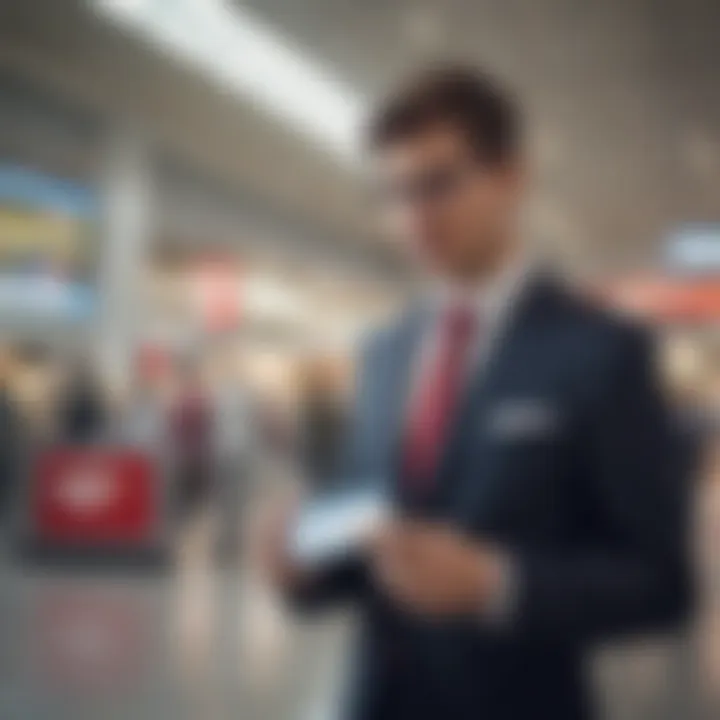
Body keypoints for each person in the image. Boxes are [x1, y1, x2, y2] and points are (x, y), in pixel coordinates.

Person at [256, 65, 692, 720]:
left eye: (437, 185)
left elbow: (662, 585)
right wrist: (305, 570)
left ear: (512, 177)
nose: (412, 218)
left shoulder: (600, 352)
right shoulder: (384, 353)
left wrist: (499, 585)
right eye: (393, 194)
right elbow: (375, 536)